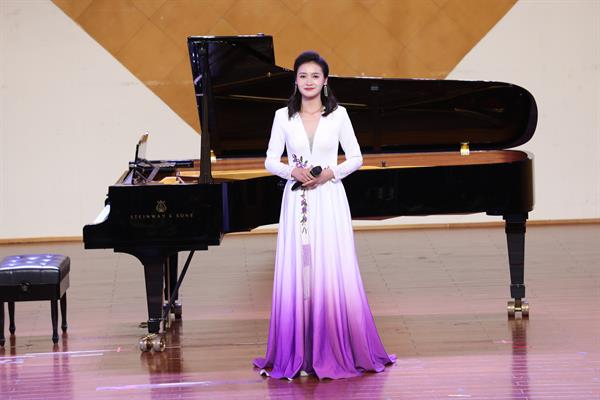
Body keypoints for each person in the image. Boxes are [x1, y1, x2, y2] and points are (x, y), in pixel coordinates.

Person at [253, 51, 395, 380]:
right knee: (300, 269)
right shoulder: (282, 116)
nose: (309, 81)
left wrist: (331, 173)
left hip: (329, 197)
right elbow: (270, 160)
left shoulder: (339, 115)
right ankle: (300, 351)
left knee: (330, 266)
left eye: (315, 76)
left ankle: (332, 346)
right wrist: (292, 171)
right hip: (297, 199)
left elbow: (356, 157)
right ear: (295, 80)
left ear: (325, 81)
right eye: (303, 76)